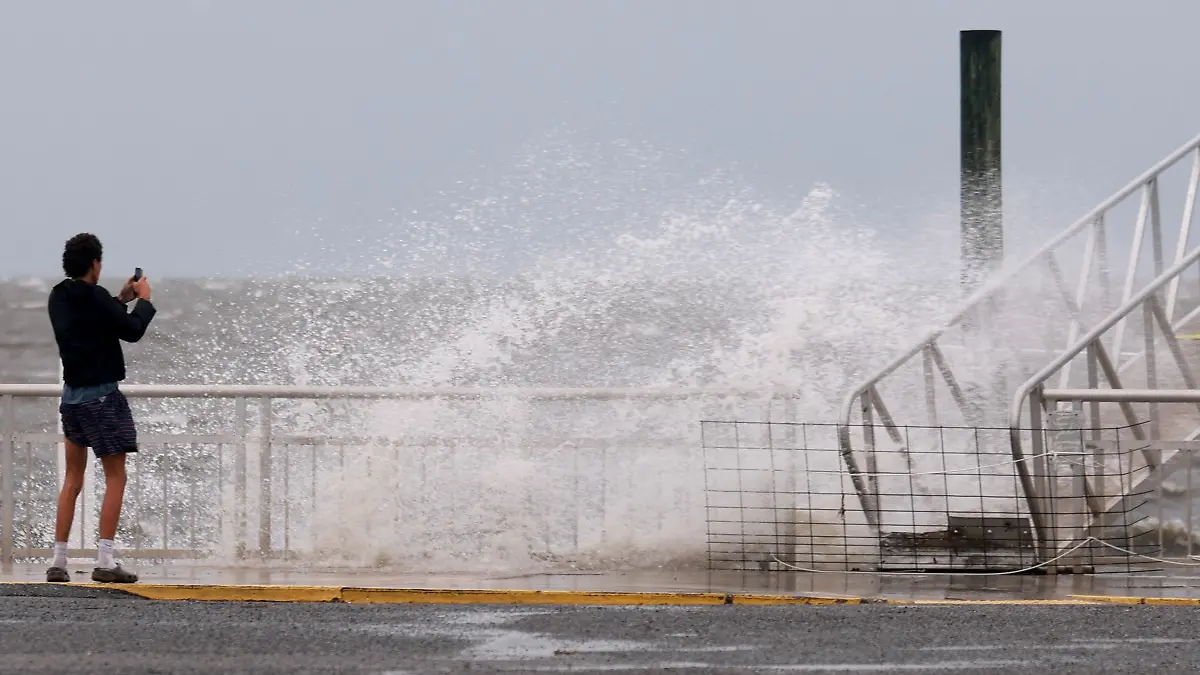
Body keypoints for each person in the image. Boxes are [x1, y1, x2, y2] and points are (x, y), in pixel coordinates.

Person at [44, 233, 155, 583]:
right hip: (103, 398)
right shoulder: (94, 298)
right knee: (115, 476)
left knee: (72, 478)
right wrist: (144, 302)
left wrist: (119, 299)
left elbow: (95, 316)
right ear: (95, 263)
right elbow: (133, 330)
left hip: (71, 399)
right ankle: (105, 560)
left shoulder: (59, 295)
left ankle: (58, 560)